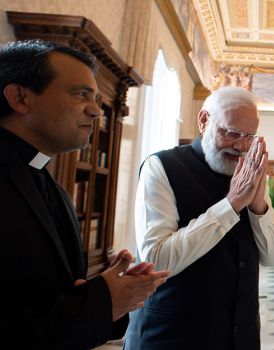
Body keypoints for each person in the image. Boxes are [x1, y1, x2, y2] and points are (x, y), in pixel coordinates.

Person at [0, 40, 169, 349]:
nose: (95, 110)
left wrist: (106, 292)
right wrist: (102, 300)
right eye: (81, 95)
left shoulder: (52, 187)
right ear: (20, 97)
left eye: (97, 98)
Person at [125, 86, 274, 349]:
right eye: (231, 133)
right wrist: (232, 204)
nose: (240, 146)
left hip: (240, 336)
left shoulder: (249, 174)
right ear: (204, 120)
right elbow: (156, 259)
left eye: (249, 136)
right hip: (174, 335)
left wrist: (259, 207)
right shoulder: (161, 167)